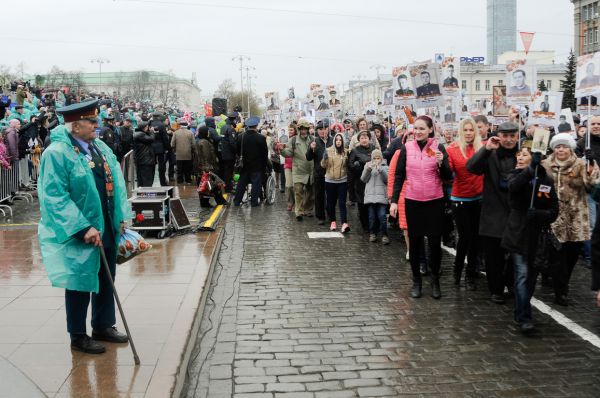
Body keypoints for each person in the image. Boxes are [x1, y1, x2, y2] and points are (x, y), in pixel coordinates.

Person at [37, 100, 130, 354]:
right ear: (75, 126)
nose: (96, 126)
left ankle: (103, 324)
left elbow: (116, 183)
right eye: (92, 122)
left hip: (106, 224)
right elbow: (54, 196)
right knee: (79, 280)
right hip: (81, 229)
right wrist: (81, 227)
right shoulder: (56, 153)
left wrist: (120, 215)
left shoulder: (98, 147)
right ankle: (78, 335)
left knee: (106, 276)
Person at [390, 115, 452, 299]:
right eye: (415, 128)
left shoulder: (438, 148)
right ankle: (416, 281)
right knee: (415, 244)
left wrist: (442, 163)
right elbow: (399, 176)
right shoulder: (406, 148)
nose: (417, 132)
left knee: (434, 244)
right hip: (413, 201)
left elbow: (448, 176)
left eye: (422, 129)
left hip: (434, 201)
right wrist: (394, 201)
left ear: (430, 130)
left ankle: (435, 281)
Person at [502, 146, 558, 333]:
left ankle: (520, 311)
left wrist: (540, 214)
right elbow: (514, 187)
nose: (520, 157)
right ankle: (525, 317)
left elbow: (553, 211)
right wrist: (529, 169)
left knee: (531, 278)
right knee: (522, 275)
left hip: (537, 237)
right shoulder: (513, 175)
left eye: (525, 155)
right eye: (518, 154)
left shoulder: (546, 180)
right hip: (518, 234)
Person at [542, 133, 600, 306]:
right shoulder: (545, 164)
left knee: (571, 256)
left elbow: (592, 184)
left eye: (564, 146)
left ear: (570, 148)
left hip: (576, 216)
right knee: (557, 256)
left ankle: (562, 281)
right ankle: (561, 291)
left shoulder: (581, 164)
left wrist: (592, 163)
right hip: (554, 217)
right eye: (558, 147)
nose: (561, 150)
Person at [466, 122, 520, 304]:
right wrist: (486, 148)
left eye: (512, 135)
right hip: (493, 214)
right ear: (499, 136)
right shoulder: (491, 154)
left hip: (516, 215)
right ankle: (495, 289)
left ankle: (511, 284)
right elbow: (471, 167)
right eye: (505, 135)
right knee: (493, 257)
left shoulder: (523, 155)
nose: (509, 139)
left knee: (515, 255)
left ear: (517, 136)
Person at [446, 118, 484, 290]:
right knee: (465, 237)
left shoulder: (482, 148)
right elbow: (447, 173)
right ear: (461, 131)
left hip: (478, 198)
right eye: (466, 130)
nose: (469, 133)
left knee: (476, 238)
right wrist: (441, 162)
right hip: (460, 198)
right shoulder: (452, 149)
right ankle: (457, 269)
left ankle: (470, 273)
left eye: (471, 130)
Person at [279, 119, 314, 220]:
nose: (303, 131)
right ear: (298, 129)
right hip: (298, 170)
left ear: (308, 129)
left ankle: (308, 209)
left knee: (311, 193)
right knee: (298, 191)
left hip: (310, 170)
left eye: (305, 129)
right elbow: (288, 153)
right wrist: (282, 150)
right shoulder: (294, 140)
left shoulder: (312, 139)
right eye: (301, 129)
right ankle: (299, 211)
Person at [233, 117, 269, 207]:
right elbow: (265, 153)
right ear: (256, 125)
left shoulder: (241, 136)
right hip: (257, 165)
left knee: (241, 183)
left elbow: (237, 150)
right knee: (256, 184)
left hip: (244, 165)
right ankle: (254, 202)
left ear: (247, 126)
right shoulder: (261, 138)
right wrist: (265, 165)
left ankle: (237, 201)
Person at [321, 132, 350, 233]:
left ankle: (344, 223)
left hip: (342, 180)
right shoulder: (328, 150)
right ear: (334, 141)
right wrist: (324, 159)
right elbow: (323, 166)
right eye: (337, 140)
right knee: (331, 203)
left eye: (340, 140)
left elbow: (348, 165)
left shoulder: (346, 152)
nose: (338, 142)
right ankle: (333, 221)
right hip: (330, 181)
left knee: (342, 203)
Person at [306, 119, 333, 225]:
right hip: (319, 173)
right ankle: (320, 216)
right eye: (320, 129)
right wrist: (310, 149)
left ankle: (331, 215)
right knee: (319, 195)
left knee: (331, 195)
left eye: (325, 129)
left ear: (328, 129)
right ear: (317, 131)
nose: (323, 131)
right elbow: (308, 157)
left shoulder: (333, 140)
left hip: (331, 173)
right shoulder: (314, 141)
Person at [349, 131, 376, 231]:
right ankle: (365, 224)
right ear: (359, 140)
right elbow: (350, 165)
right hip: (360, 180)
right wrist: (359, 166)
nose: (364, 140)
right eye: (362, 138)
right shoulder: (355, 150)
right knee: (362, 203)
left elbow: (378, 159)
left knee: (372, 203)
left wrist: (363, 161)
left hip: (373, 180)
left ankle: (373, 223)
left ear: (369, 139)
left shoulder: (374, 148)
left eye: (366, 138)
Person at [194, 125, 227, 207]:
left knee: (205, 186)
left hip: (201, 167)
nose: (209, 133)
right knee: (212, 185)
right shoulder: (204, 142)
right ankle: (219, 201)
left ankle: (206, 202)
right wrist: (208, 168)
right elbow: (207, 155)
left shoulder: (199, 141)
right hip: (207, 167)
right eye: (207, 132)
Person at [361, 149, 389, 244]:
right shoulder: (367, 165)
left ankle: (384, 234)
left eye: (378, 158)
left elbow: (387, 180)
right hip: (371, 196)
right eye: (375, 158)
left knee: (382, 216)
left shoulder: (385, 167)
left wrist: (380, 169)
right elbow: (363, 179)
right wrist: (368, 169)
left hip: (381, 196)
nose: (377, 160)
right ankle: (372, 233)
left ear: (381, 158)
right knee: (371, 217)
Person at [219, 112, 239, 193]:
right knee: (229, 171)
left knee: (225, 170)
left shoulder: (223, 127)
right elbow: (232, 143)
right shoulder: (231, 129)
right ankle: (228, 188)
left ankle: (226, 187)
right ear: (234, 119)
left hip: (223, 152)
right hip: (230, 154)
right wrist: (237, 152)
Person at [150, 112, 170, 186]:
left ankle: (150, 182)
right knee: (161, 166)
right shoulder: (161, 125)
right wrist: (167, 147)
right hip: (161, 148)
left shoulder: (149, 124)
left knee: (152, 165)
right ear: (158, 117)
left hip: (151, 147)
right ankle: (162, 182)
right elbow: (165, 138)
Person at [132, 121, 155, 187]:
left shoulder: (138, 133)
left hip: (142, 160)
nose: (149, 128)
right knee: (147, 180)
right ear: (144, 127)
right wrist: (152, 132)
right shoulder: (140, 135)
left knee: (142, 180)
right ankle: (146, 194)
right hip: (145, 160)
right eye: (148, 127)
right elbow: (151, 139)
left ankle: (142, 194)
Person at [282, 124, 296, 211]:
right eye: (289, 130)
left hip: (296, 165)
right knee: (289, 185)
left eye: (291, 130)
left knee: (296, 186)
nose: (290, 131)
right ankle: (290, 202)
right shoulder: (285, 139)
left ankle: (296, 203)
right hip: (287, 164)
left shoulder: (297, 139)